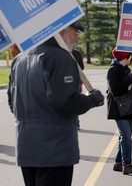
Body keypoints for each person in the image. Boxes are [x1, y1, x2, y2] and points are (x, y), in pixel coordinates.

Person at [7, 21, 105, 186]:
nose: (77, 40)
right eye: (74, 34)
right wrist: (93, 99)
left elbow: (12, 103)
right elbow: (65, 102)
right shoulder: (60, 58)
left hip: (27, 146)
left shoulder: (20, 59)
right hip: (54, 149)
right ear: (60, 33)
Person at [106, 47, 132, 175]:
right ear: (124, 58)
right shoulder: (112, 71)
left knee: (125, 136)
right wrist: (129, 79)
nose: (131, 59)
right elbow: (115, 90)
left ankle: (118, 163)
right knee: (126, 136)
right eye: (129, 56)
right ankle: (127, 165)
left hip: (129, 108)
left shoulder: (126, 69)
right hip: (119, 108)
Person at [72, 48, 85, 129]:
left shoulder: (58, 51)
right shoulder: (77, 52)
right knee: (75, 101)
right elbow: (82, 67)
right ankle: (76, 122)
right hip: (76, 79)